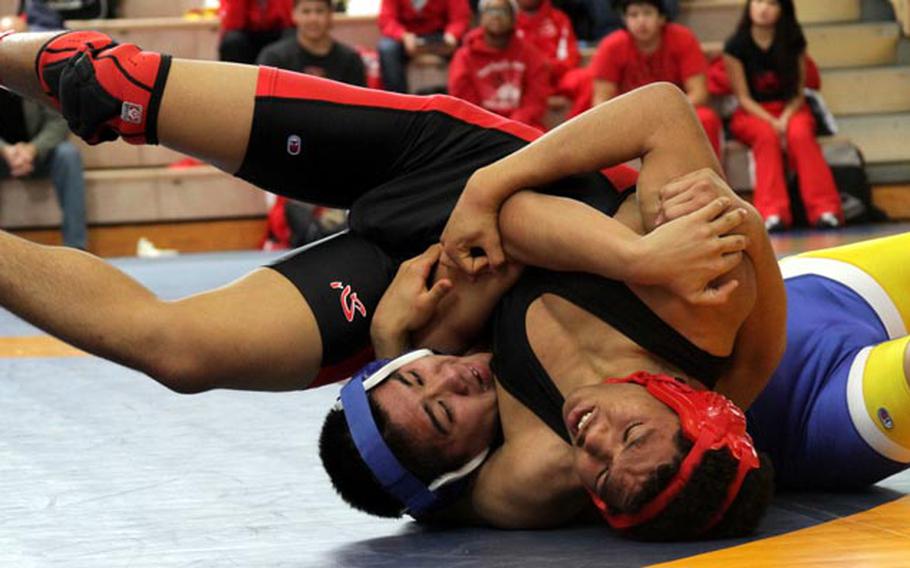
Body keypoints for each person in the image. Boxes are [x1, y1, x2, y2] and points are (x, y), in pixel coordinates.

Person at [0, 30, 737, 407]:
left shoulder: (552, 466)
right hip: (447, 161)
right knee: (113, 87)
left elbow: (413, 448)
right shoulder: (707, 297)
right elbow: (661, 109)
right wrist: (487, 190)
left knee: (181, 355)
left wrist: (393, 345)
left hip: (418, 286)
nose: (610, 449)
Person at [723, 0, 843, 232]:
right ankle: (772, 213)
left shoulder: (794, 41)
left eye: (772, 3)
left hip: (790, 108)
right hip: (753, 112)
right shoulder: (735, 46)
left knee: (800, 135)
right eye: (758, 1)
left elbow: (798, 92)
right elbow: (743, 98)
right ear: (749, 6)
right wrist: (772, 122)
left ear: (783, 10)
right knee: (766, 137)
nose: (763, 8)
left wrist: (785, 118)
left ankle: (825, 210)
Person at [590, 0, 722, 158]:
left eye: (647, 13)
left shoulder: (683, 38)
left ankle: (711, 176)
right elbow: (601, 100)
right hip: (629, 116)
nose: (641, 21)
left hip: (675, 112)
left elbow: (699, 93)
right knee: (599, 126)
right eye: (633, 15)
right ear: (624, 19)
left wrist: (664, 113)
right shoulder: (611, 46)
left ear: (661, 18)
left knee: (706, 118)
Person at [0, 16, 86, 249]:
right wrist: (7, 150)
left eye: (14, 39)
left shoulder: (40, 74)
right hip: (3, 156)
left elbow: (59, 121)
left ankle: (76, 248)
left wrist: (33, 149)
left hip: (39, 153)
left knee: (68, 155)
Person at [448, 0, 550, 129]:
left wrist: (512, 125)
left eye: (503, 11)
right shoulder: (464, 56)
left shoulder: (531, 55)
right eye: (490, 11)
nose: (496, 16)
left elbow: (536, 101)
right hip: (478, 127)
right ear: (481, 18)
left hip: (522, 125)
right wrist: (490, 126)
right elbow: (463, 101)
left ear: (514, 18)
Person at [256, 0, 366, 86]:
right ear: (294, 15)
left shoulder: (351, 60)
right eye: (306, 11)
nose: (313, 19)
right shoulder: (273, 58)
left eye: (319, 11)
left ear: (330, 15)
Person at [515, 0, 591, 119]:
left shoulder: (559, 19)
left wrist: (544, 67)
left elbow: (570, 58)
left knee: (586, 78)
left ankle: (577, 128)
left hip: (556, 79)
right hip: (522, 81)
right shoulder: (507, 21)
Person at [377, 0, 471, 92]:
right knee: (387, 49)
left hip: (441, 34)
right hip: (406, 36)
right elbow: (386, 19)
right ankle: (397, 102)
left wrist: (453, 35)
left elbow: (460, 18)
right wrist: (402, 36)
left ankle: (461, 98)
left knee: (466, 48)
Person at [219, 0, 295, 64]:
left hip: (277, 33)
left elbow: (291, 20)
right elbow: (232, 24)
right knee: (232, 40)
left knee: (291, 36)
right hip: (247, 36)